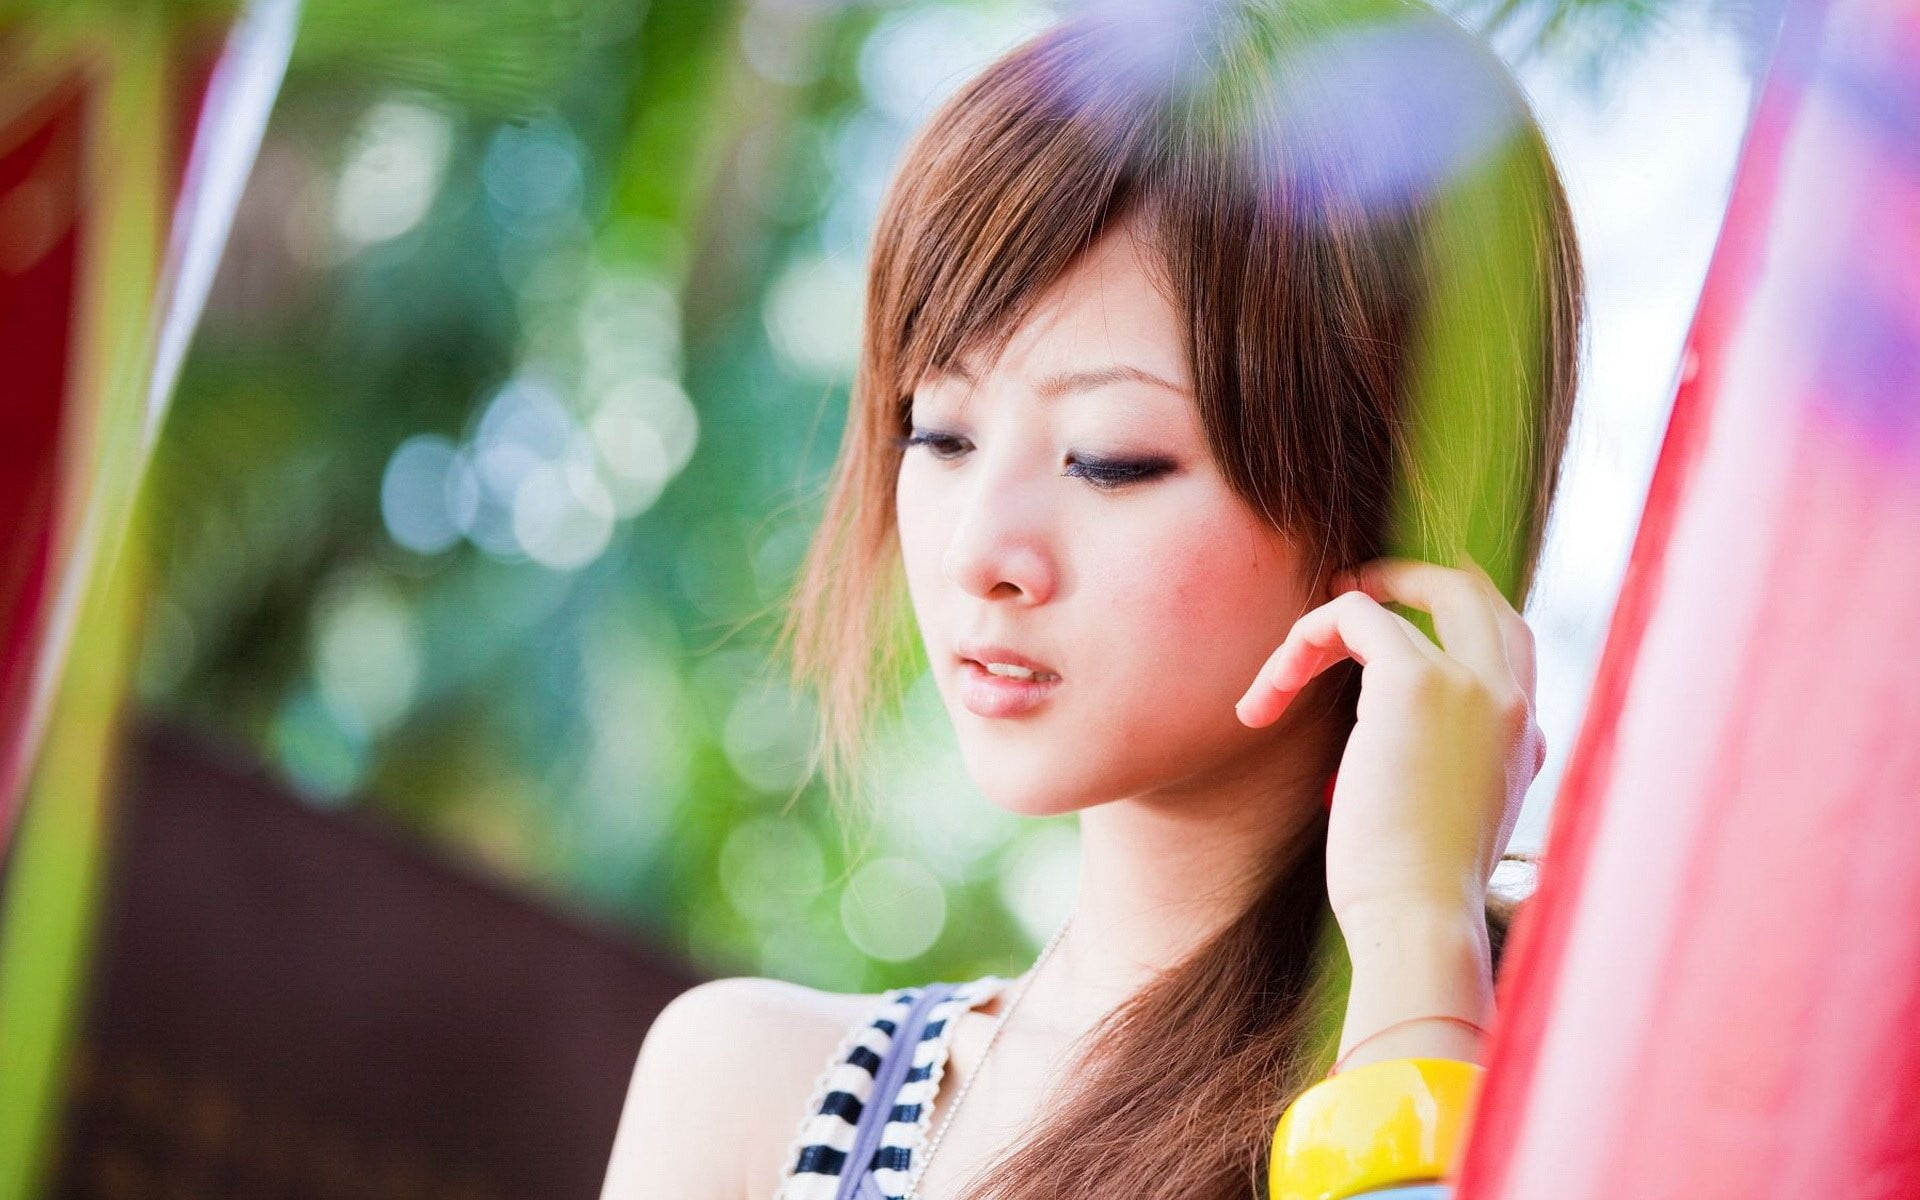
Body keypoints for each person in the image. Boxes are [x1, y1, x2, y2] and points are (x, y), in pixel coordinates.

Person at [601, 0, 1581, 1196]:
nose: (980, 551)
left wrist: (1417, 939)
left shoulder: (1577, 1083)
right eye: (941, 432)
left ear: (1395, 506)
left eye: (1111, 459)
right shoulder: (756, 1092)